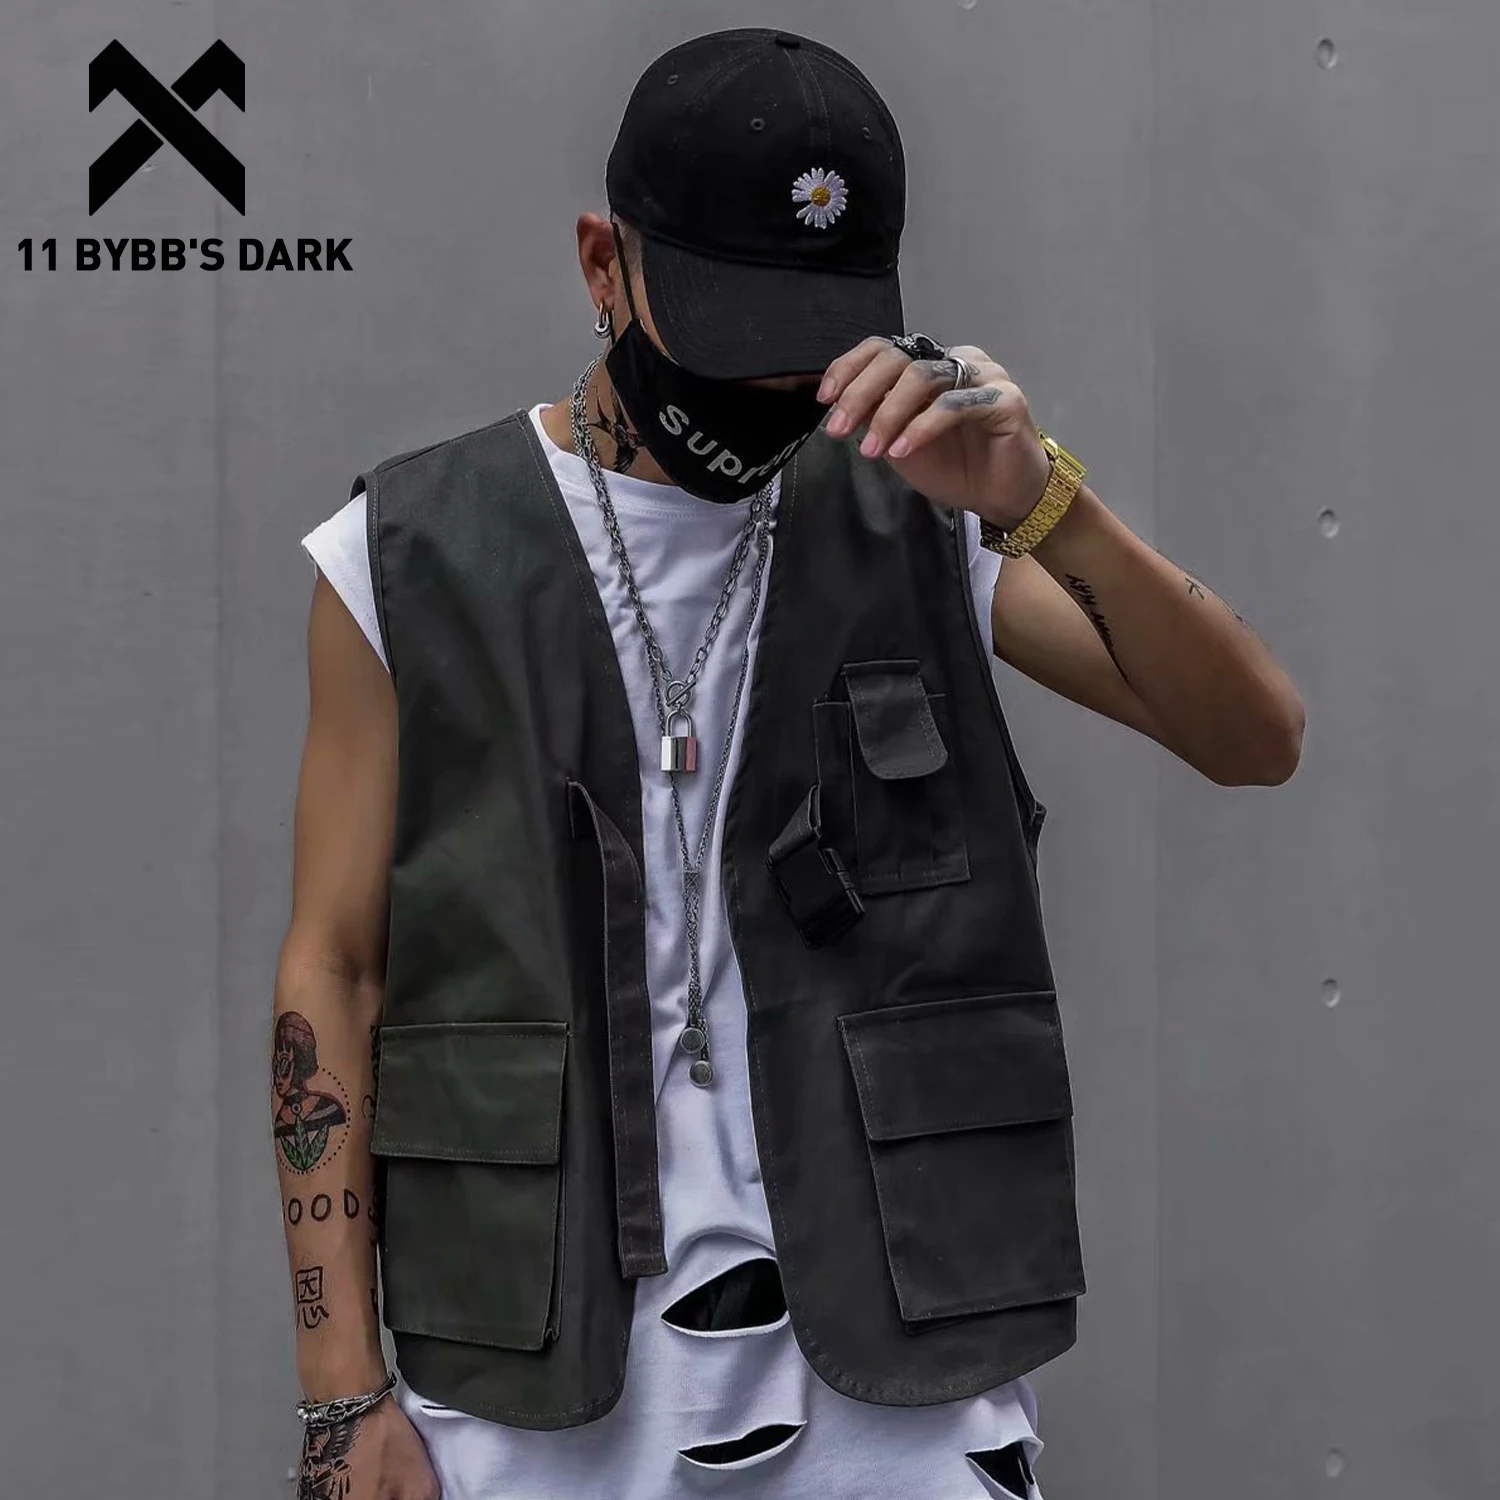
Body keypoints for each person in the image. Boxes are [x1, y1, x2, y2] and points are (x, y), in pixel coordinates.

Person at [272, 25, 1305, 1500]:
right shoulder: (404, 554)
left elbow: (1255, 737)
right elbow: (335, 967)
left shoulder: (926, 513)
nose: (772, 377)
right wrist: (339, 1399)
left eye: (810, 335)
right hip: (525, 1391)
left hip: (901, 1387)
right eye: (730, 323)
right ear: (603, 266)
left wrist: (1041, 500)